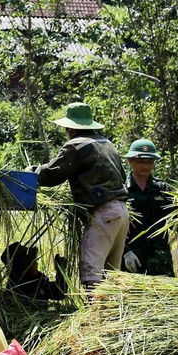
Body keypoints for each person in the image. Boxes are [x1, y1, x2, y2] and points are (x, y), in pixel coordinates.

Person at [34, 102, 128, 289]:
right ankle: (112, 308)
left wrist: (33, 172)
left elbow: (51, 175)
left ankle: (94, 307)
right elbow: (123, 177)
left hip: (104, 214)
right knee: (111, 275)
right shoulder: (107, 144)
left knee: (91, 271)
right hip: (122, 212)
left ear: (71, 128)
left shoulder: (77, 145)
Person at [122, 138, 178, 276]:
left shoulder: (163, 189)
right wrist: (125, 252)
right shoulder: (121, 190)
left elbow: (177, 220)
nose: (146, 166)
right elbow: (112, 227)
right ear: (130, 161)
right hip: (131, 260)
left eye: (150, 162)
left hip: (160, 261)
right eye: (141, 161)